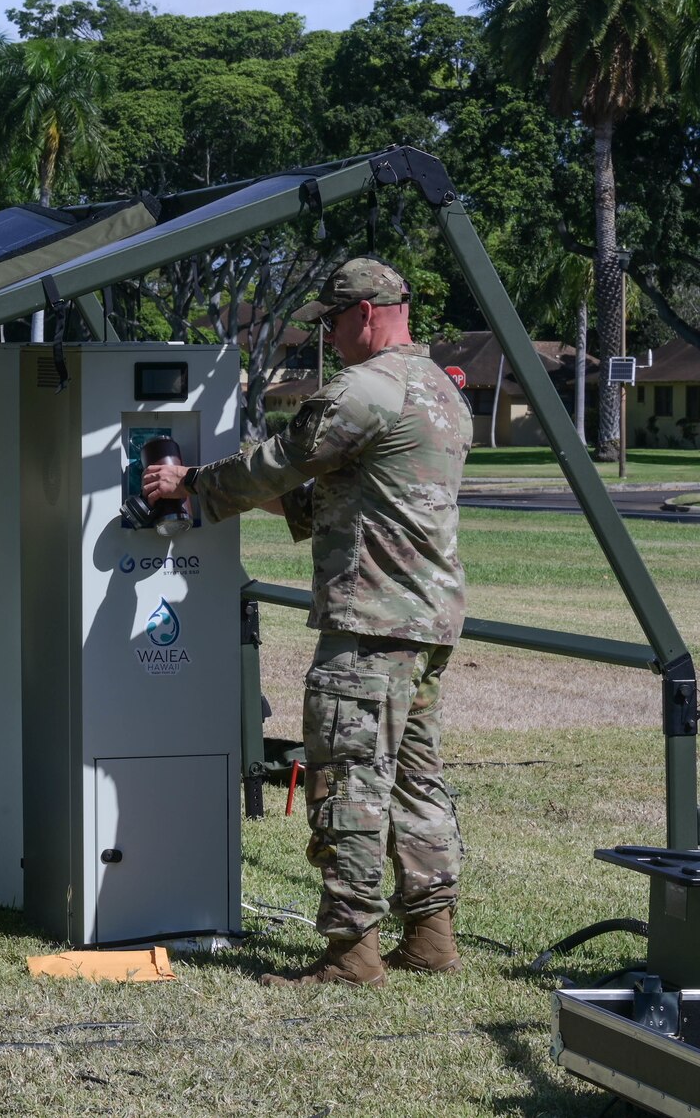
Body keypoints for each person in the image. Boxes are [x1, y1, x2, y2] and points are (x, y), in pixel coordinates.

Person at [143, 258, 473, 987]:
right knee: (416, 779)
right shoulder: (443, 395)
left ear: (364, 313)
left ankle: (352, 953)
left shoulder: (363, 390)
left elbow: (283, 463)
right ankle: (432, 933)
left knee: (349, 782)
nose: (326, 335)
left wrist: (190, 483)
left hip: (369, 621)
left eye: (330, 321)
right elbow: (325, 497)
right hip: (427, 622)